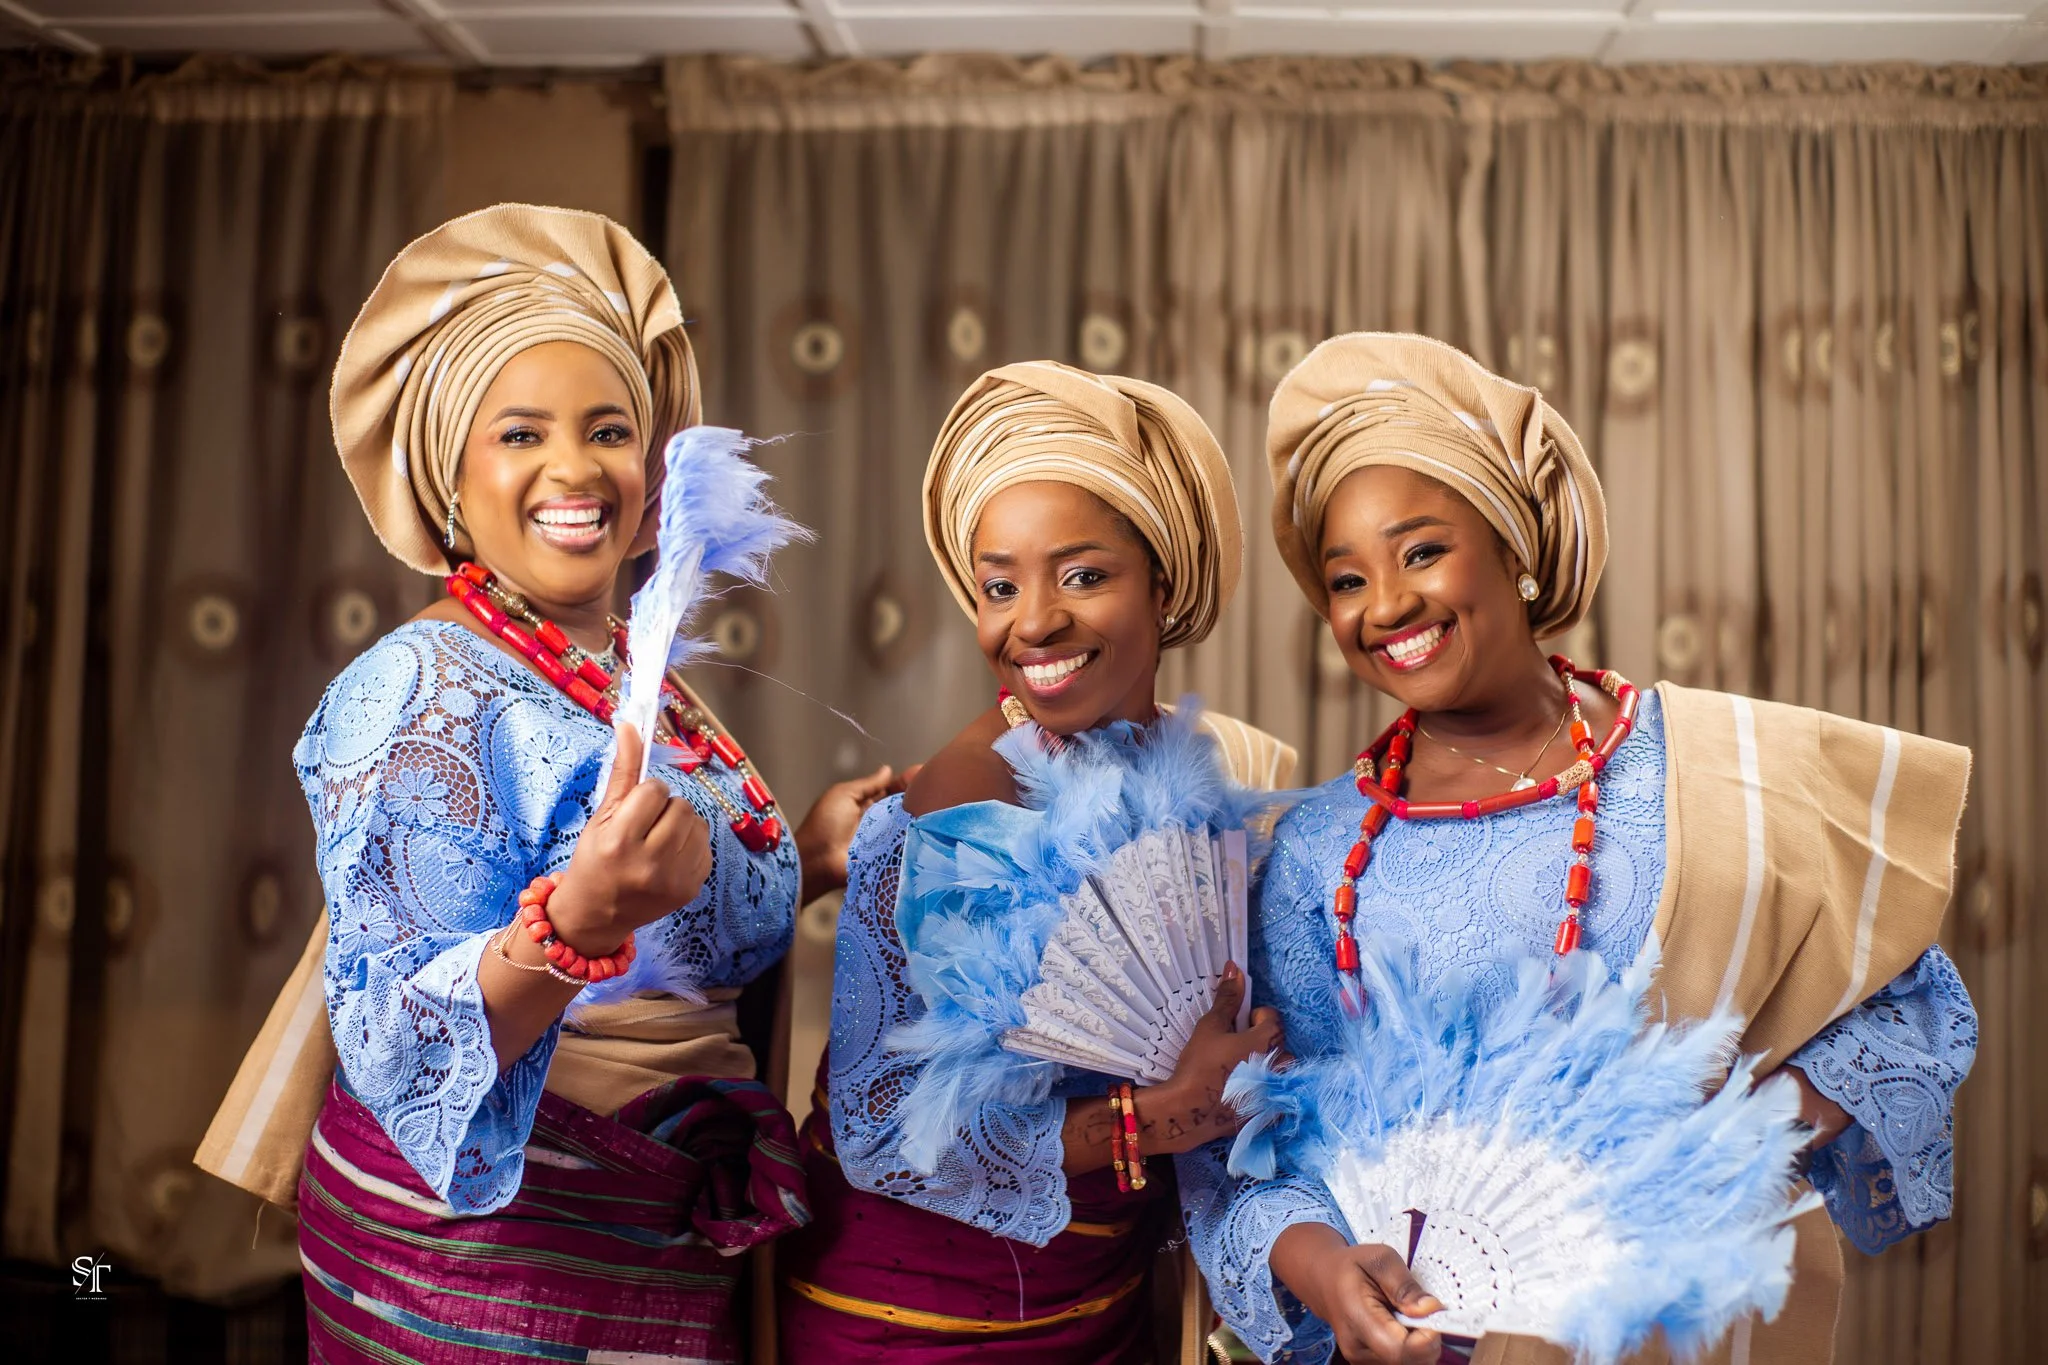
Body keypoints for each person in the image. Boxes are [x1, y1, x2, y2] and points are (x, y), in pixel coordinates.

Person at [1185, 332, 1976, 1365]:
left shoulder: (1714, 769)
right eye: (1344, 581)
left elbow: (1911, 1003)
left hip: (1677, 1335)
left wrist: (1713, 1145)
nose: (1383, 607)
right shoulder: (1315, 855)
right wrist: (1320, 1267)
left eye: (1421, 551)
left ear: (1514, 547)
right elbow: (1249, 1145)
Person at [200, 204, 894, 1363]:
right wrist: (579, 918)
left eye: (610, 429)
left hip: (647, 1234)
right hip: (478, 1262)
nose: (574, 468)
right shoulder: (413, 692)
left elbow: (685, 922)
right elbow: (392, 1037)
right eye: (520, 434)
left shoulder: (614, 663)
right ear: (448, 473)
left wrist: (812, 856)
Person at [775, 361, 1297, 1362]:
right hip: (911, 1320)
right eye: (999, 585)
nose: (1034, 622)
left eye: (1083, 575)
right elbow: (888, 1136)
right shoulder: (959, 814)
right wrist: (1154, 1119)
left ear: (1164, 583)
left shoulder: (1196, 787)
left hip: (1099, 1312)